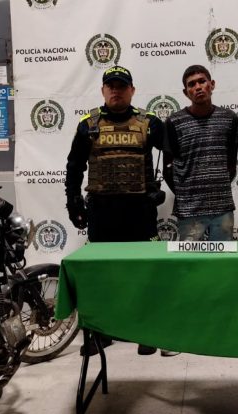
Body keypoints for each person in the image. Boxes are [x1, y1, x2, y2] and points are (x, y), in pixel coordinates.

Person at [64, 65, 177, 357]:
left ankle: (146, 331)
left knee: (144, 272)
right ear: (103, 90)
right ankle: (99, 333)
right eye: (110, 85)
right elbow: (74, 167)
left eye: (121, 85)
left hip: (139, 210)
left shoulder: (150, 123)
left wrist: (160, 186)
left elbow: (170, 156)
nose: (116, 90)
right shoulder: (88, 125)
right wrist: (73, 202)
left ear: (132, 90)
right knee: (101, 274)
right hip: (102, 210)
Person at [163, 65, 238, 241]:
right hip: (189, 210)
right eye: (191, 84)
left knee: (223, 262)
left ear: (211, 84)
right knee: (190, 265)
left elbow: (231, 164)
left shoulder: (230, 118)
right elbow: (168, 168)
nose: (197, 87)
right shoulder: (174, 122)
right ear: (185, 92)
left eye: (202, 81)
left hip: (222, 207)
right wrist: (186, 193)